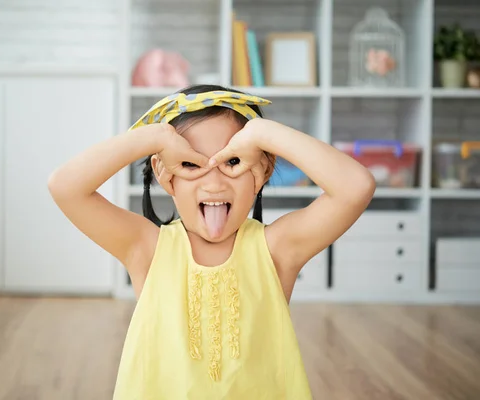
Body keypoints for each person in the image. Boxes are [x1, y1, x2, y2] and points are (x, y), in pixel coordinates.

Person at [48, 84, 376, 399]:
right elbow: (65, 187)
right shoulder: (147, 248)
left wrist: (263, 134)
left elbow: (355, 187)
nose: (214, 181)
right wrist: (156, 136)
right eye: (191, 163)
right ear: (165, 175)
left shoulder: (277, 249)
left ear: (261, 172)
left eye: (232, 162)